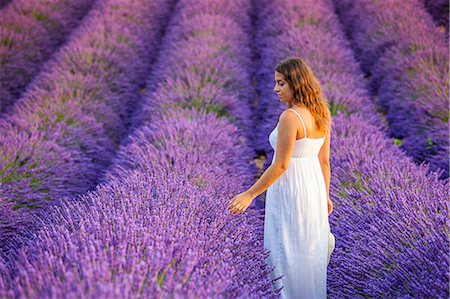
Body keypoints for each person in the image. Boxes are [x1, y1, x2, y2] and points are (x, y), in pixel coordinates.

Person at [227, 57, 334, 298]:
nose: (275, 89)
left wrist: (249, 194)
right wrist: (325, 196)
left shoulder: (291, 117)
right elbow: (324, 161)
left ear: (297, 83)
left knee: (284, 252)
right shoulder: (322, 113)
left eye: (281, 83)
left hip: (290, 190)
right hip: (313, 188)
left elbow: (282, 165)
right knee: (308, 253)